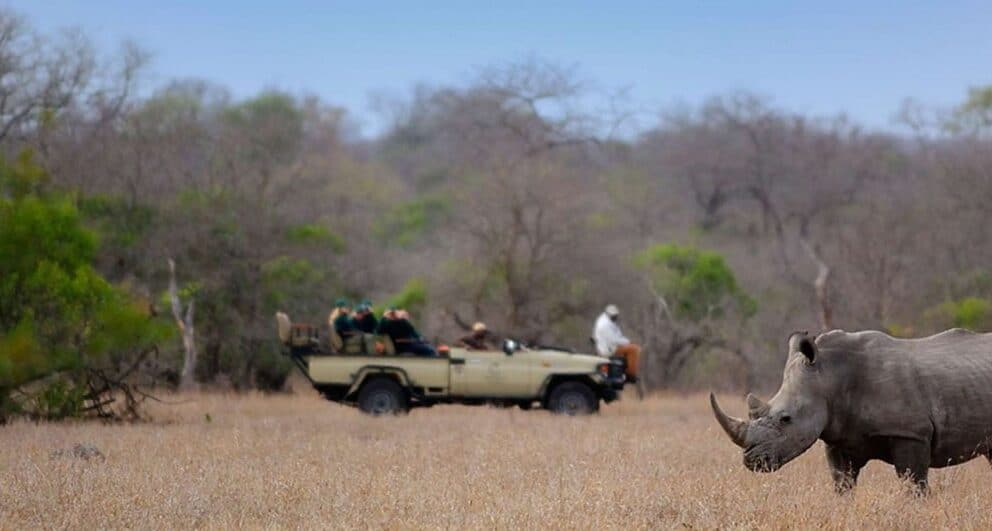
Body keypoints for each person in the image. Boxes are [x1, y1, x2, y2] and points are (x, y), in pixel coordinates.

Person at [593, 304, 640, 382]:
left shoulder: (603, 319)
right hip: (608, 349)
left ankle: (623, 370)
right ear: (609, 314)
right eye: (614, 316)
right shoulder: (605, 325)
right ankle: (631, 374)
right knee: (634, 349)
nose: (615, 317)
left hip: (605, 346)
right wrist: (628, 341)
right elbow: (614, 340)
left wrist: (626, 341)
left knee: (629, 347)